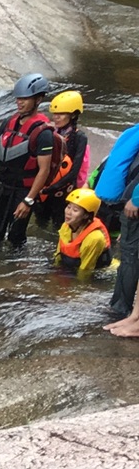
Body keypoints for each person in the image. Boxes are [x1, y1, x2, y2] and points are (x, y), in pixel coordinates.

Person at [0, 74, 55, 248]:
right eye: (18, 98)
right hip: (2, 187)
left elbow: (43, 171)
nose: (20, 102)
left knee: (16, 239)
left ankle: (16, 273)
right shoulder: (8, 123)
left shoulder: (43, 133)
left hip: (23, 192)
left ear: (38, 99)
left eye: (25, 98)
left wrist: (28, 201)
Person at [92, 121, 139, 323]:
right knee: (128, 257)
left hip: (133, 205)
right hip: (128, 204)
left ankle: (121, 309)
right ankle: (121, 306)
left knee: (130, 259)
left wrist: (136, 199)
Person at [32, 91, 89, 228]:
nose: (56, 117)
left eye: (61, 114)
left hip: (63, 191)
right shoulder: (50, 133)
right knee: (41, 221)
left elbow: (74, 172)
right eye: (55, 114)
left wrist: (50, 189)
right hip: (44, 187)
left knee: (60, 226)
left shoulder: (79, 138)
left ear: (73, 115)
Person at [51, 189, 112, 280]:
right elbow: (58, 254)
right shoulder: (66, 226)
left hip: (97, 274)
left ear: (86, 215)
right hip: (72, 266)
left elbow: (86, 271)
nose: (68, 212)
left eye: (75, 210)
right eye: (68, 207)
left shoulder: (94, 238)